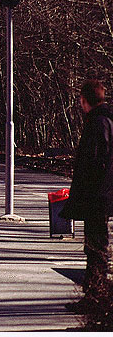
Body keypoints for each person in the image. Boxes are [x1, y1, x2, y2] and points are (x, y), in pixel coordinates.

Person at [59, 79, 113, 313]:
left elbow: (95, 162)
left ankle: (96, 297)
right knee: (96, 244)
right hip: (102, 194)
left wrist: (88, 190)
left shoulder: (97, 123)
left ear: (84, 100)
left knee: (95, 246)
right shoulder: (107, 120)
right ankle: (95, 295)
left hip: (97, 195)